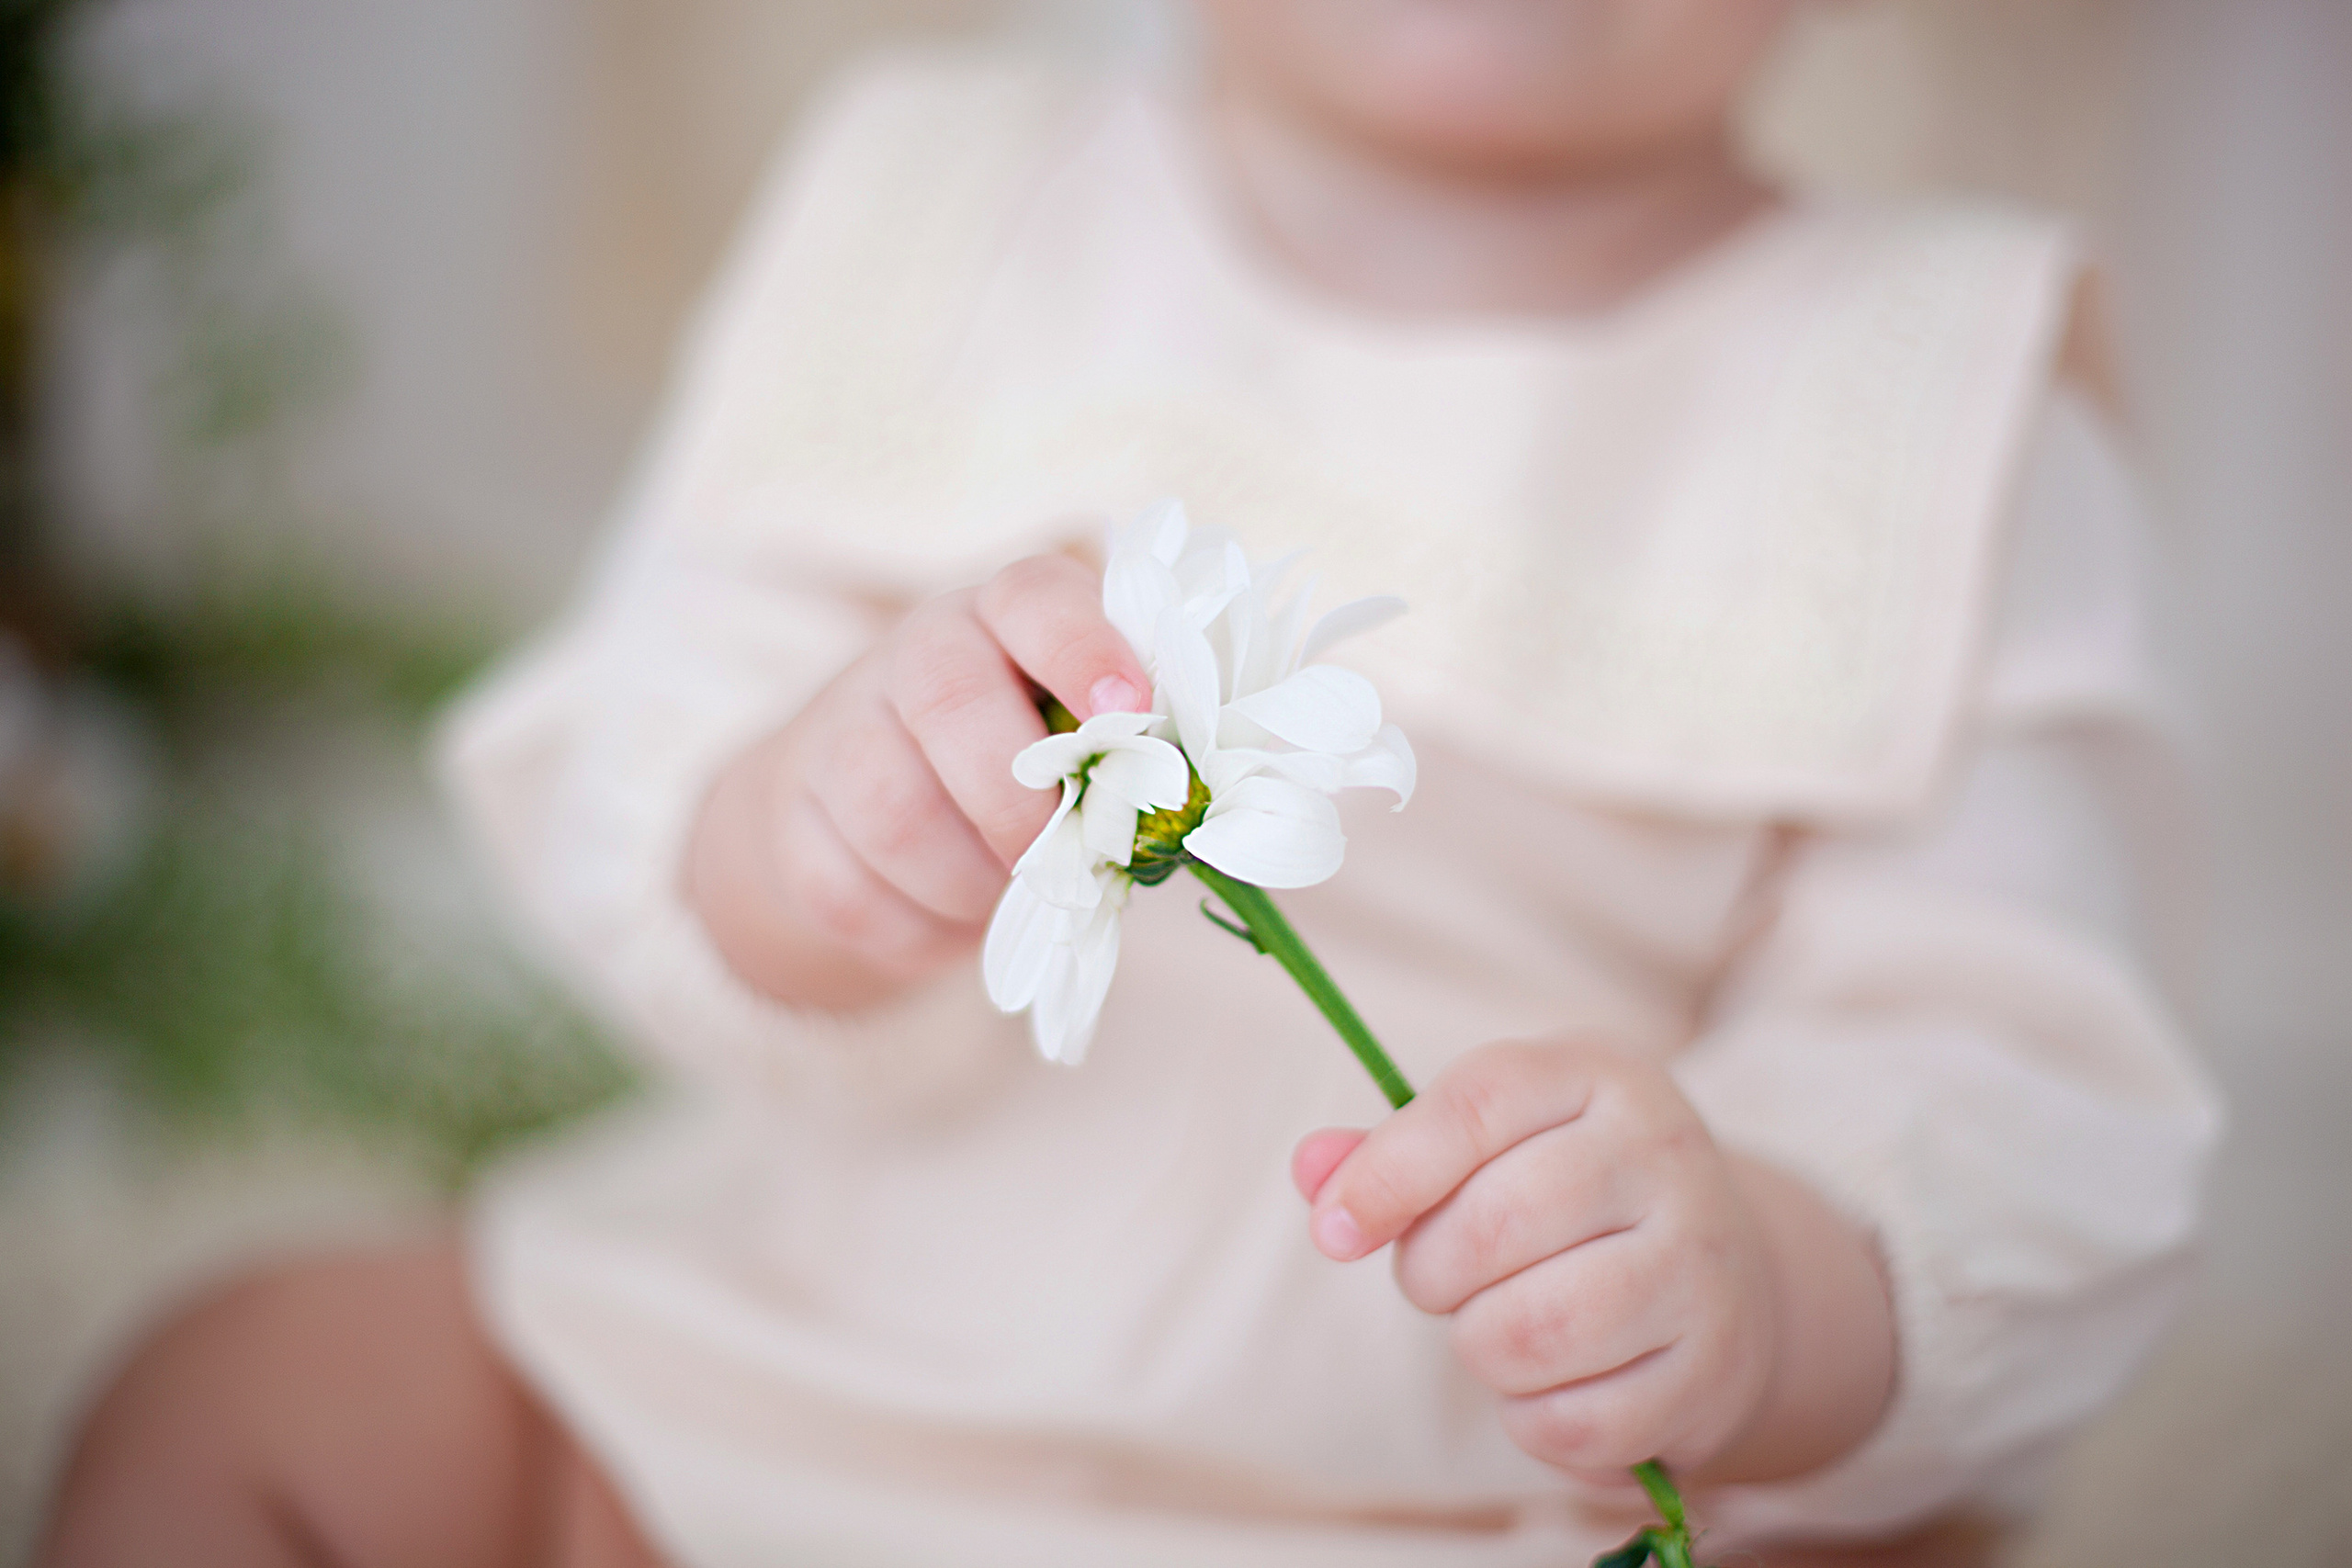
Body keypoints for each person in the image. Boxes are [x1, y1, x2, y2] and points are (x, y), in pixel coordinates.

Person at [37, 3, 2221, 1564]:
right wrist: (809, 827)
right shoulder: (934, 199)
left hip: (1468, 1493)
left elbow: (2003, 1065)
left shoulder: (1942, 402)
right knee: (256, 1378)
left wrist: (1758, 1277)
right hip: (794, 1354)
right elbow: (657, 732)